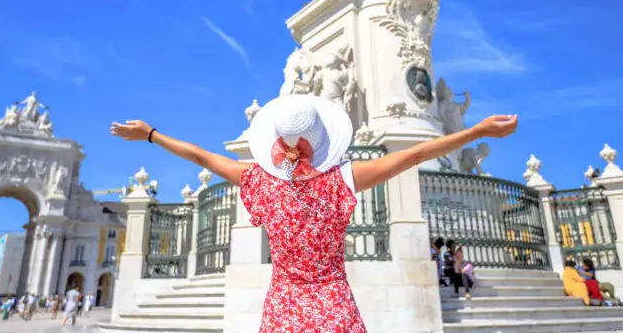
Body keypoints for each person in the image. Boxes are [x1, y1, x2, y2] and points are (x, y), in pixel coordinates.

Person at [110, 94, 518, 331]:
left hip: (283, 308)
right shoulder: (342, 181)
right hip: (335, 305)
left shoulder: (259, 182)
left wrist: (149, 134)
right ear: (321, 140)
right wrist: (477, 131)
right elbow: (413, 154)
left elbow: (199, 154)